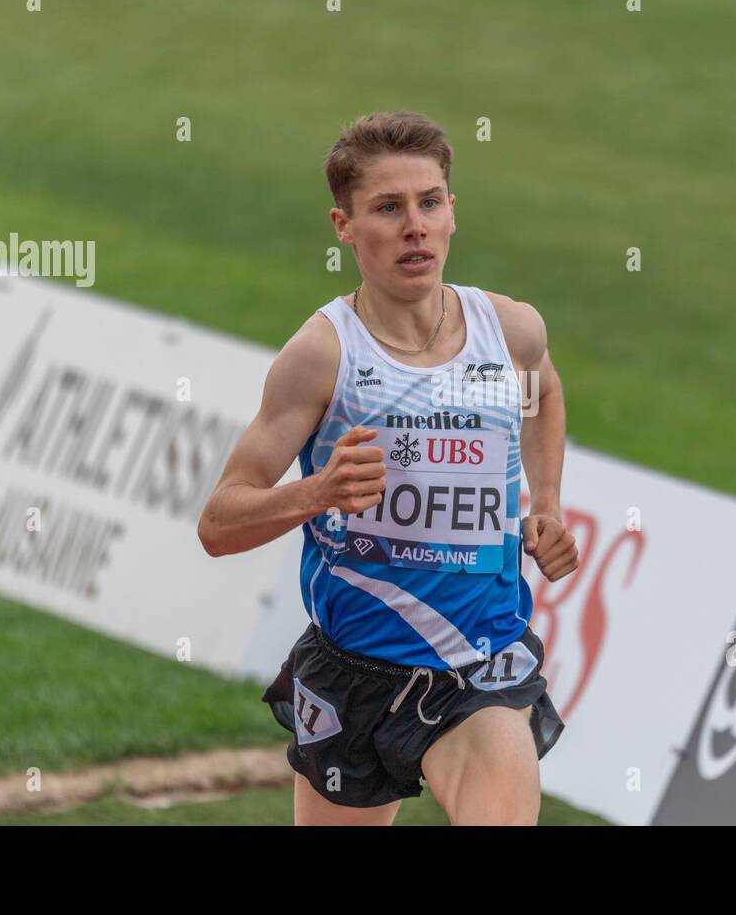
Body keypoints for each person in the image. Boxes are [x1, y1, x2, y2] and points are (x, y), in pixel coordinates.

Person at [198, 111, 578, 825]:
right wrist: (318, 492)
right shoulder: (323, 356)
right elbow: (219, 523)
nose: (415, 227)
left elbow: (543, 391)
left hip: (481, 668)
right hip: (356, 673)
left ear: (452, 212)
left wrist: (547, 502)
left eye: (430, 203)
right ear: (343, 226)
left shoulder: (510, 331)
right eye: (388, 209)